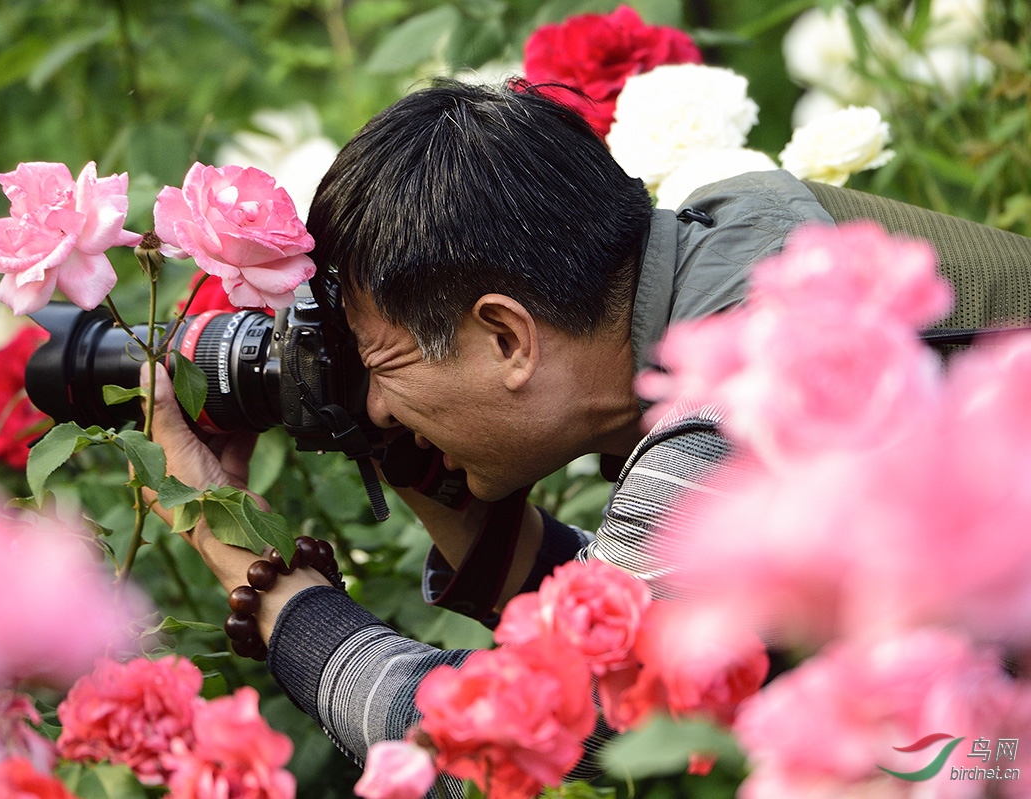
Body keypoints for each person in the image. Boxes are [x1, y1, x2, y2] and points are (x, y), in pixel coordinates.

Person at [147, 79, 1031, 784]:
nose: (375, 408)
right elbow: (654, 645)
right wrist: (450, 494)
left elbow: (549, 740)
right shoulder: (741, 233)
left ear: (507, 337)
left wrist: (275, 594)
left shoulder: (745, 404)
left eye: (383, 365)